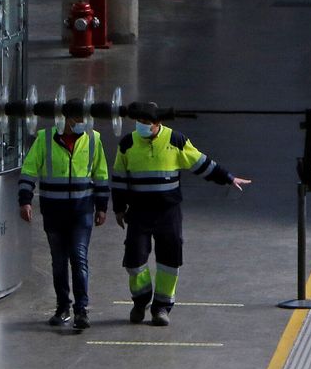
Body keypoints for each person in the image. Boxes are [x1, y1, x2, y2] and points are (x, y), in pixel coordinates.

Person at [112, 105, 249, 327]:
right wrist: (119, 208)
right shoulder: (127, 143)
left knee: (169, 260)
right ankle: (141, 300)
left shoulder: (175, 140)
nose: (143, 126)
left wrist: (228, 177)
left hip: (168, 213)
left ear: (158, 123)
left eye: (147, 123)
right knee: (134, 260)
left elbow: (200, 162)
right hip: (139, 212)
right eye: (140, 122)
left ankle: (161, 308)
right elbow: (119, 178)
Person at [18, 113, 110, 330]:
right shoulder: (44, 139)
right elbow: (29, 170)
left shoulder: (93, 138)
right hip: (54, 212)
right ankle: (62, 307)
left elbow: (101, 174)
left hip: (81, 212)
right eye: (78, 119)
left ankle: (81, 310)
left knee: (79, 259)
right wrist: (25, 200)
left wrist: (102, 207)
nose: (82, 123)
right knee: (58, 262)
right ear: (67, 120)